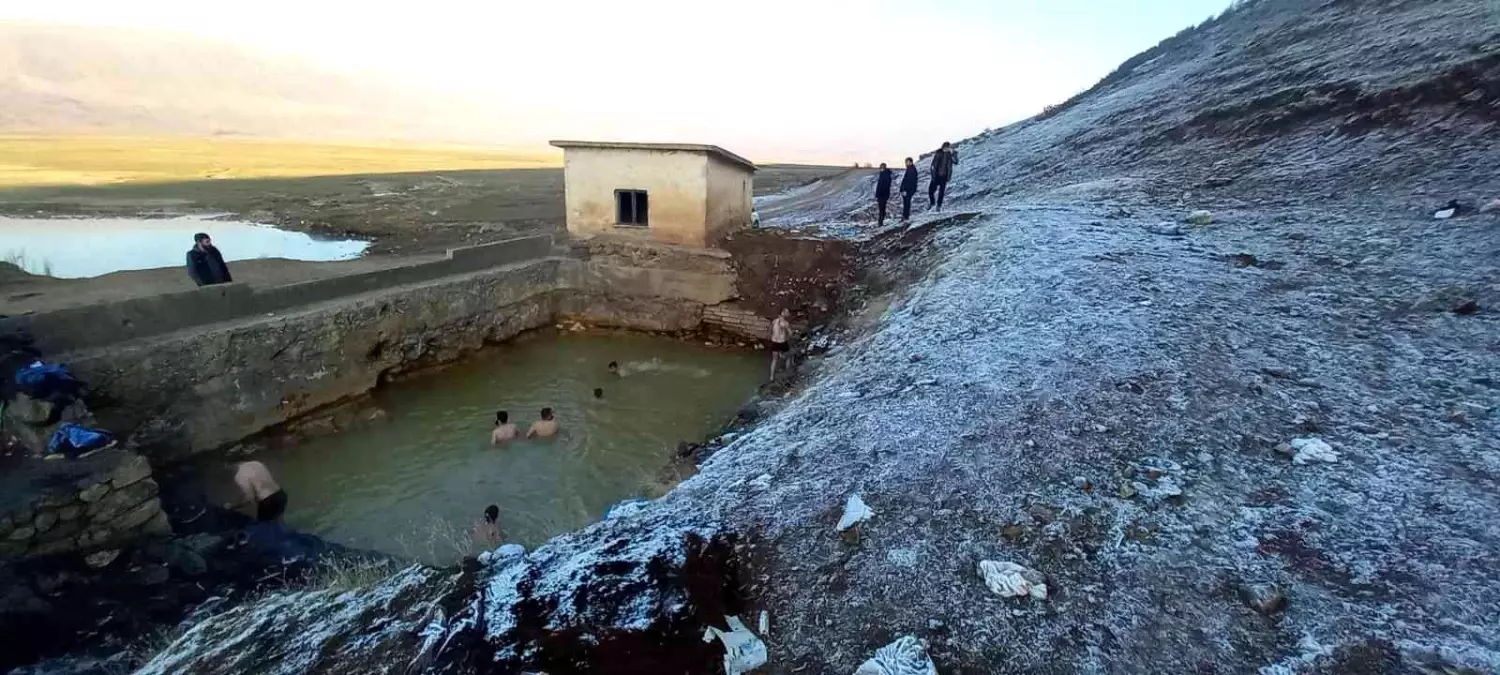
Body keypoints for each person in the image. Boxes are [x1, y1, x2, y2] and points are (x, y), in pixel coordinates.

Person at [927, 142, 959, 211]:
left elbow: (956, 162)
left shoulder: (951, 155)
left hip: (944, 176)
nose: (946, 149)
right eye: (945, 147)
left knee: (941, 192)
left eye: (948, 147)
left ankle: (938, 206)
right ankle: (932, 202)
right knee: (930, 191)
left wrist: (953, 153)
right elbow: (933, 165)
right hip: (936, 175)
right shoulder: (938, 153)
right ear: (943, 147)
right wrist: (933, 175)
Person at [769, 308, 792, 379]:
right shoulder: (785, 323)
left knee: (774, 359)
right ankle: (787, 373)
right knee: (788, 357)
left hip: (774, 342)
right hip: (782, 342)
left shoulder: (774, 321)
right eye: (787, 312)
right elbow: (790, 333)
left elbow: (770, 331)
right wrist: (788, 336)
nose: (789, 314)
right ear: (783, 313)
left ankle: (771, 376)